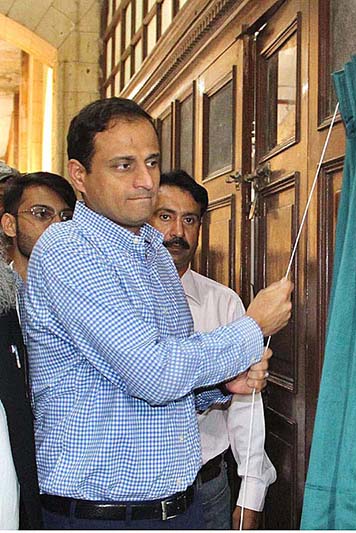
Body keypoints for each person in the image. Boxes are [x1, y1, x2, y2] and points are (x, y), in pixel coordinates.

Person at [22, 97, 293, 529]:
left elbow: (164, 390)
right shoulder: (67, 251)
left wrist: (222, 384)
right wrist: (253, 327)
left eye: (151, 162)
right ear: (80, 176)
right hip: (104, 517)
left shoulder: (152, 253)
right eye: (123, 166)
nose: (146, 181)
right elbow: (154, 372)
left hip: (178, 507)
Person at [150, 170, 276, 529]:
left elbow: (246, 405)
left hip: (208, 488)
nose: (177, 231)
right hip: (141, 495)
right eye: (165, 216)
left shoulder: (224, 303)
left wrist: (251, 492)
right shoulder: (125, 300)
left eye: (189, 219)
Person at [0, 172, 77, 529]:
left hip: (69, 481)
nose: (57, 227)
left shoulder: (82, 299)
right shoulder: (5, 301)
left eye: (64, 217)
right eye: (42, 214)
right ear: (10, 224)